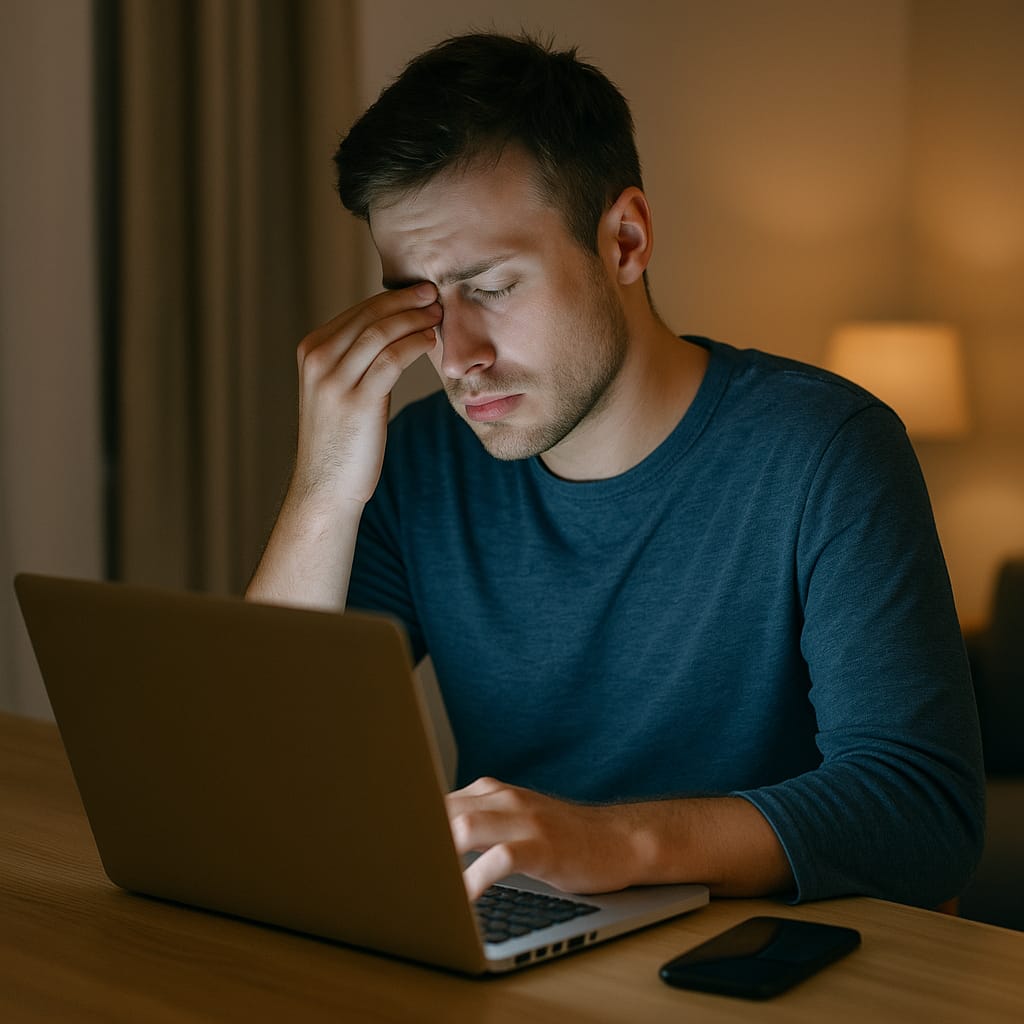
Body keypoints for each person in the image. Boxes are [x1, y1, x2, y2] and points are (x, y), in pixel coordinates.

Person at [247, 33, 984, 908]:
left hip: (757, 965)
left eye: (490, 287)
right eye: (422, 303)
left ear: (626, 240)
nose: (456, 356)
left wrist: (608, 841)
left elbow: (923, 814)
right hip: (519, 952)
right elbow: (255, 775)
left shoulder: (825, 447)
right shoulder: (419, 465)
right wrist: (323, 488)